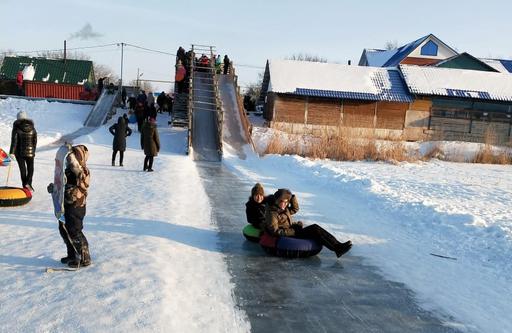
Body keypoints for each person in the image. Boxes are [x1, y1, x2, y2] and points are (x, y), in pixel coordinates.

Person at [264, 189, 352, 258]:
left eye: (287, 201)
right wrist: (293, 231)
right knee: (314, 229)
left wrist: (292, 197)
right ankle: (337, 248)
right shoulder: (272, 213)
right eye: (283, 201)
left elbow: (295, 209)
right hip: (288, 235)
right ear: (278, 200)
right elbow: (275, 231)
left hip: (292, 231)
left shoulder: (283, 209)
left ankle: (338, 246)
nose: (285, 204)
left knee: (315, 228)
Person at [47, 145, 91, 268]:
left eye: (71, 157)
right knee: (64, 229)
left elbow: (80, 178)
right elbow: (61, 183)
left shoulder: (83, 172)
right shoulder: (67, 170)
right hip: (64, 204)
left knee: (74, 231)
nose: (68, 159)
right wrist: (54, 188)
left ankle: (84, 257)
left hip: (76, 206)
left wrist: (70, 154)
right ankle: (72, 254)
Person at [9, 111, 37, 191]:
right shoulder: (32, 128)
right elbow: (35, 140)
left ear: (18, 118)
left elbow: (14, 141)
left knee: (23, 169)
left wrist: (11, 153)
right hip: (30, 152)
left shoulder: (16, 127)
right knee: (31, 168)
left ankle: (25, 186)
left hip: (19, 153)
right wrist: (33, 150)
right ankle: (28, 183)